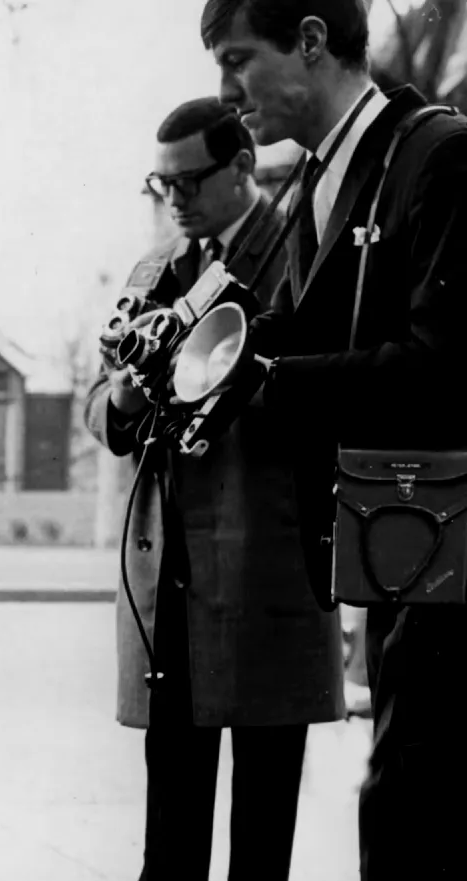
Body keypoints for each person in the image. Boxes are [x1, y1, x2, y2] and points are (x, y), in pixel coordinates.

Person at [201, 1, 467, 877]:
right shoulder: (324, 174)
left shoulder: (437, 152)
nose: (225, 89)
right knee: (400, 792)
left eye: (237, 58)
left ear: (311, 41)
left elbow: (439, 364)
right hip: (401, 548)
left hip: (445, 551)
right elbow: (303, 329)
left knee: (410, 801)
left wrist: (267, 379)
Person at [84, 96, 344, 881]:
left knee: (262, 824)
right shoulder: (153, 269)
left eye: (190, 181)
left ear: (240, 166)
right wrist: (127, 393)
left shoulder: (302, 250)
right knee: (170, 821)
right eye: (160, 186)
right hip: (167, 573)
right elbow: (100, 410)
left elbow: (327, 382)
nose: (175, 201)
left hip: (265, 556)